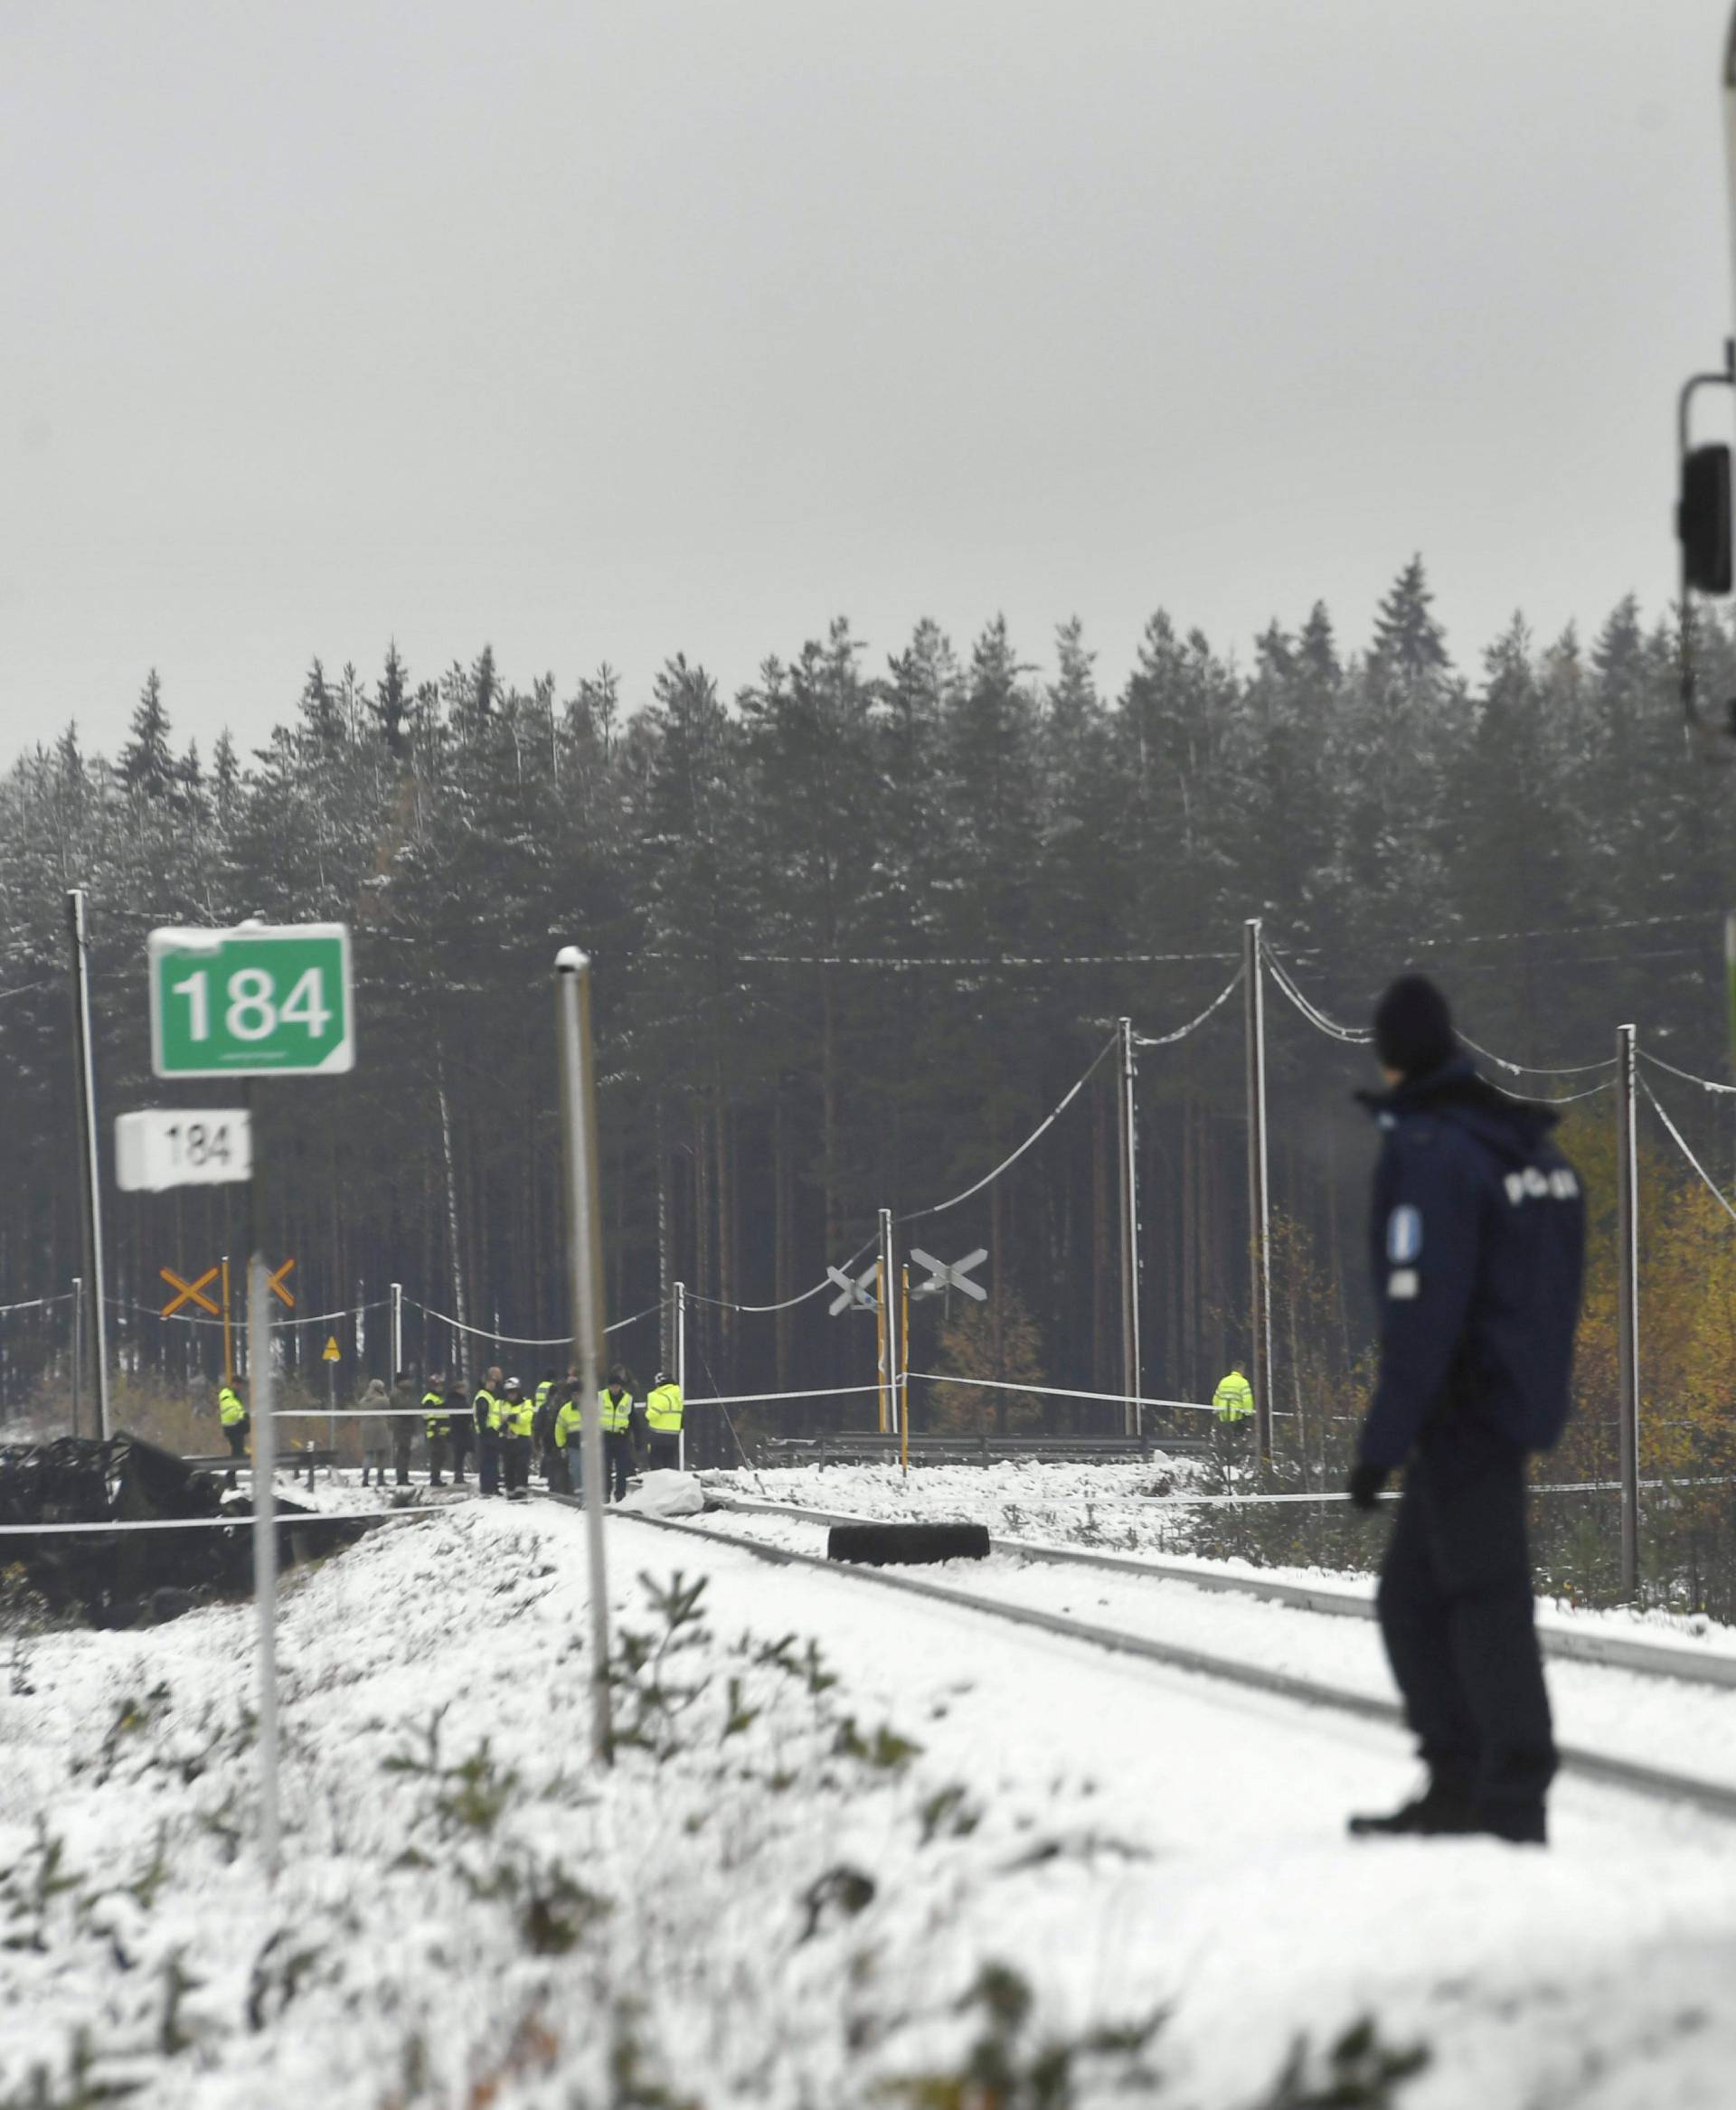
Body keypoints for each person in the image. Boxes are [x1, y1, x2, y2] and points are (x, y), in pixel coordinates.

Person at [1346, 975, 1584, 1848]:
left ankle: (1510, 1797)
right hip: (1501, 1403)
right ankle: (1457, 1779)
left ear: (1393, 1054)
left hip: (1464, 1414)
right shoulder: (1526, 1149)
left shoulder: (1437, 1150)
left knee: (1482, 1602)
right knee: (1413, 1602)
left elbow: (1424, 1306)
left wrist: (1384, 1441)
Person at [1211, 1362, 1253, 1482]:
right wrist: (1248, 1414)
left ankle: (1224, 1467)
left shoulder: (1223, 1381)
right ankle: (1235, 1469)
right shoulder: (1243, 1382)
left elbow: (1216, 1398)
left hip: (1223, 1417)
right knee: (1237, 1444)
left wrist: (1217, 1411)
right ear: (1241, 1370)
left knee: (1224, 1443)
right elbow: (1247, 1400)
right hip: (1237, 1417)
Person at [599, 1367, 636, 1502]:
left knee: (621, 1468)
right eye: (612, 1386)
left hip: (621, 1437)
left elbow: (633, 1419)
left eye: (617, 1386)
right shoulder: (601, 1397)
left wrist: (637, 1438)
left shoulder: (627, 1399)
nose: (615, 1389)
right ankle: (605, 1493)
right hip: (606, 1436)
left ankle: (620, 1494)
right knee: (605, 1468)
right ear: (609, 1386)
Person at [499, 1376, 534, 1498]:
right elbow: (496, 1419)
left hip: (522, 1440)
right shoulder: (503, 1405)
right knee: (508, 1466)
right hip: (507, 1440)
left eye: (513, 1391)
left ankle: (521, 1489)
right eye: (509, 1392)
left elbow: (527, 1417)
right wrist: (503, 1428)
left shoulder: (526, 1403)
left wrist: (510, 1417)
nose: (511, 1394)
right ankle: (510, 1490)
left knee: (521, 1465)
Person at [644, 1368, 684, 1471]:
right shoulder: (677, 1398)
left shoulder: (661, 1397)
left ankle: (658, 1485)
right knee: (670, 1464)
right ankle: (669, 1485)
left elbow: (651, 1415)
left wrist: (646, 1412)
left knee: (656, 1464)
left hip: (658, 1436)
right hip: (673, 1436)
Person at [550, 1367, 582, 1494]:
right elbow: (559, 1427)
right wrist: (561, 1445)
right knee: (575, 1468)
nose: (577, 1397)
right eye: (574, 1394)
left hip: (588, 1445)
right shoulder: (565, 1408)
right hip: (573, 1444)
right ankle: (578, 1492)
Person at [474, 1365, 504, 1497]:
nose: (492, 1385)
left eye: (493, 1382)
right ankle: (487, 1488)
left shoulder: (490, 1396)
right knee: (487, 1463)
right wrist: (486, 1431)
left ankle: (492, 1486)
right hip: (486, 1434)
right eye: (489, 1382)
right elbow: (482, 1417)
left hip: (493, 1433)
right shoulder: (483, 1397)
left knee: (492, 1462)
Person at [359, 1377, 392, 1487]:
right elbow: (389, 1409)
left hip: (365, 1428)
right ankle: (380, 1479)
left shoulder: (363, 1401)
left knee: (368, 1454)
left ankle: (365, 1479)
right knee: (381, 1454)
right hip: (380, 1428)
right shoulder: (382, 1400)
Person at [422, 1371, 452, 1487]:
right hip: (434, 1433)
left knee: (442, 1456)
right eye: (437, 1385)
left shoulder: (440, 1398)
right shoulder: (429, 1399)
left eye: (441, 1385)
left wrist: (448, 1430)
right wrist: (435, 1429)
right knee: (436, 1456)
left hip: (443, 1433)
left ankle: (437, 1477)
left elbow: (445, 1415)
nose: (440, 1388)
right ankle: (435, 1479)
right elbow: (428, 1416)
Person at [389, 1368, 416, 1487]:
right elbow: (401, 1408)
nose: (409, 1383)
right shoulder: (397, 1394)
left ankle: (404, 1476)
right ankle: (401, 1477)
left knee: (405, 1452)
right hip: (401, 1427)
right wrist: (411, 1407)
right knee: (402, 1452)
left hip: (406, 1427)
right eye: (407, 1380)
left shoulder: (405, 1394)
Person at [217, 1379, 250, 1459]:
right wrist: (242, 1417)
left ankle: (233, 1470)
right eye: (239, 1385)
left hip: (236, 1426)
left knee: (238, 1450)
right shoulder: (227, 1395)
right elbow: (231, 1411)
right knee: (237, 1451)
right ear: (233, 1384)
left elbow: (237, 1409)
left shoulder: (233, 1395)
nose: (240, 1387)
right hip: (233, 1426)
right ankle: (232, 1469)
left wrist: (244, 1415)